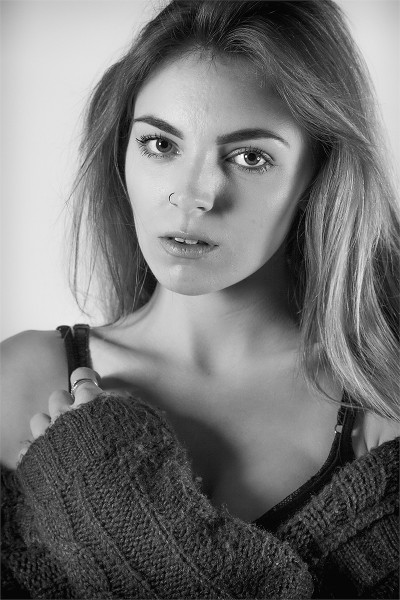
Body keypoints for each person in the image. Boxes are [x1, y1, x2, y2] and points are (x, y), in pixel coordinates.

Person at [1, 0, 399, 598]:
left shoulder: (381, 401)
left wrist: (116, 516)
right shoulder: (18, 382)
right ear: (122, 152)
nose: (193, 195)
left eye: (250, 157)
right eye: (160, 144)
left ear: (318, 176)